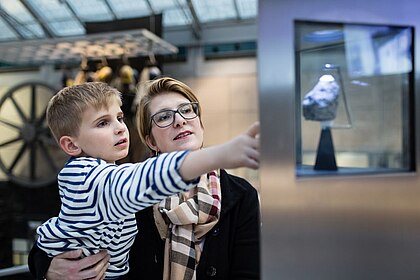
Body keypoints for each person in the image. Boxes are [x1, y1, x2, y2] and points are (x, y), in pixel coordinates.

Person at [29, 78, 261, 279]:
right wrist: (49, 269)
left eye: (187, 110)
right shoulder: (128, 184)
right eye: (164, 117)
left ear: (200, 121)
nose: (180, 120)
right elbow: (61, 234)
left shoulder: (240, 195)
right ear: (150, 140)